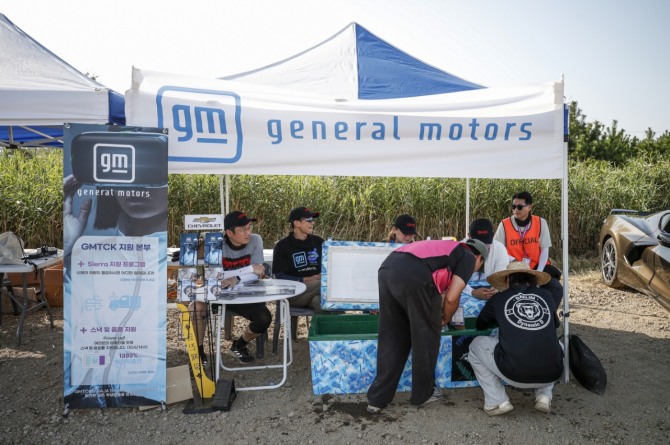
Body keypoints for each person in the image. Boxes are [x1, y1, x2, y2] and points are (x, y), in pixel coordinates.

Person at [366, 238, 488, 414]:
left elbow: (442, 291)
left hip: (388, 267)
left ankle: (377, 398)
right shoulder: (468, 256)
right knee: (426, 336)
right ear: (480, 258)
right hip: (415, 273)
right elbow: (453, 297)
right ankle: (423, 394)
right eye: (479, 268)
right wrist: (444, 319)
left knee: (393, 335)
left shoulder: (447, 250)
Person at [467, 262, 563, 415]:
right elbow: (554, 326)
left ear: (507, 280)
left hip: (515, 373)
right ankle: (544, 396)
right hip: (552, 372)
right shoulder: (546, 295)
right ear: (532, 280)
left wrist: (499, 315)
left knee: (476, 345)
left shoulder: (499, 298)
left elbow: (480, 324)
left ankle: (497, 401)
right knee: (556, 344)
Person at [191, 211, 271, 364]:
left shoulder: (256, 240)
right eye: (243, 230)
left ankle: (239, 345)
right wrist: (247, 270)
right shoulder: (216, 243)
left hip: (244, 294)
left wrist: (236, 277)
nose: (248, 233)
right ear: (229, 233)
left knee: (264, 318)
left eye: (249, 227)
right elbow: (215, 276)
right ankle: (199, 353)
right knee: (195, 307)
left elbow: (258, 272)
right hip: (220, 294)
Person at [493, 191, 563, 307]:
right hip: (514, 269)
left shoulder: (540, 222)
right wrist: (513, 260)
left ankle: (549, 318)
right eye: (513, 207)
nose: (516, 210)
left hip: (536, 266)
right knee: (516, 291)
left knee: (556, 289)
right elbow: (497, 249)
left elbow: (545, 249)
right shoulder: (504, 224)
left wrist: (539, 273)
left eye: (520, 207)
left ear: (529, 207)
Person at [272, 207, 324, 312]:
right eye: (309, 220)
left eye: (312, 220)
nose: (312, 223)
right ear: (296, 223)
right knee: (325, 284)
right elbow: (278, 276)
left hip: (316, 292)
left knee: (322, 302)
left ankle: (337, 328)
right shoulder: (282, 246)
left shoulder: (319, 242)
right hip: (293, 292)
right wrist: (306, 279)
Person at [462, 218, 509, 300]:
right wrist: (472, 292)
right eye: (479, 243)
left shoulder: (500, 249)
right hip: (465, 289)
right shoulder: (461, 249)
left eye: (486, 242)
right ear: (469, 236)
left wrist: (494, 290)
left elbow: (500, 277)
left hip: (491, 289)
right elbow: (455, 280)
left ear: (493, 235)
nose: (483, 246)